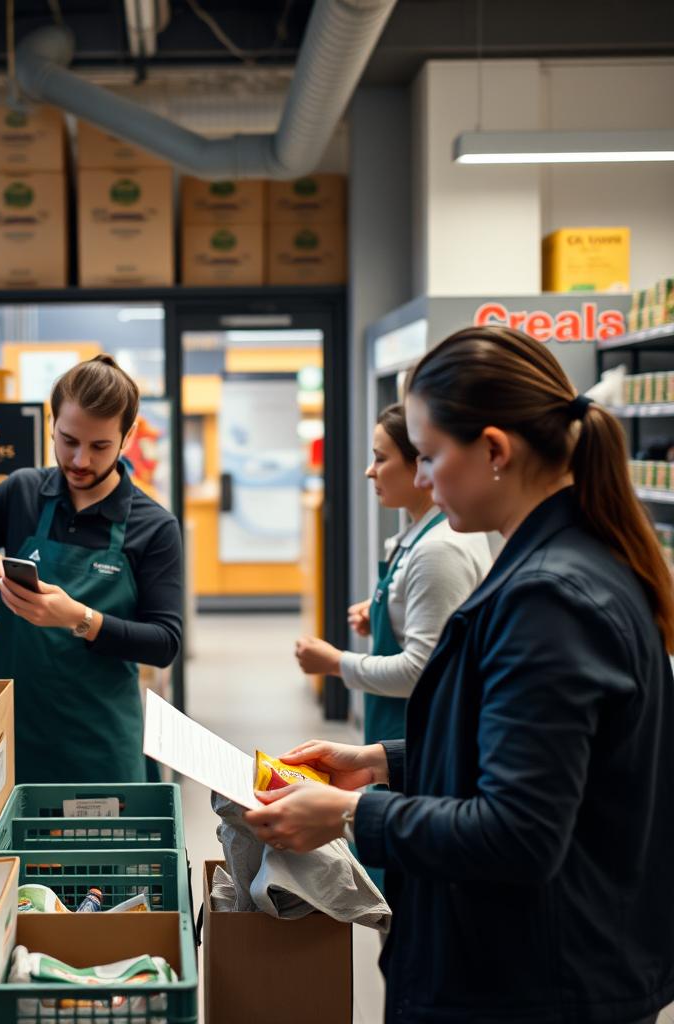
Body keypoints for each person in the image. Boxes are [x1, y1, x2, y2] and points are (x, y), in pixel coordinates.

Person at [244, 326, 674, 1023]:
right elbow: (537, 758)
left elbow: (520, 832)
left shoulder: (549, 599)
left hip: (537, 986)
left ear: (496, 451)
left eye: (430, 456)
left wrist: (351, 813)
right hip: (553, 965)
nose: (419, 479)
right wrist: (381, 762)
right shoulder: (567, 561)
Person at [0, 355, 182, 784]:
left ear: (128, 436)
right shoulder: (22, 492)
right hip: (10, 733)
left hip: (100, 742)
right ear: (52, 423)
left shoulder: (153, 526)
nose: (80, 459)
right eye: (68, 440)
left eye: (100, 446)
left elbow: (164, 642)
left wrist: (80, 619)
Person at [295, 403, 492, 892]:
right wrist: (383, 610)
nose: (370, 470)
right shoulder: (411, 539)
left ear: (421, 466)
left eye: (382, 458)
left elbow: (422, 669)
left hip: (412, 728)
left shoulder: (439, 549)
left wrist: (335, 663)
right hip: (396, 745)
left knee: (404, 881)